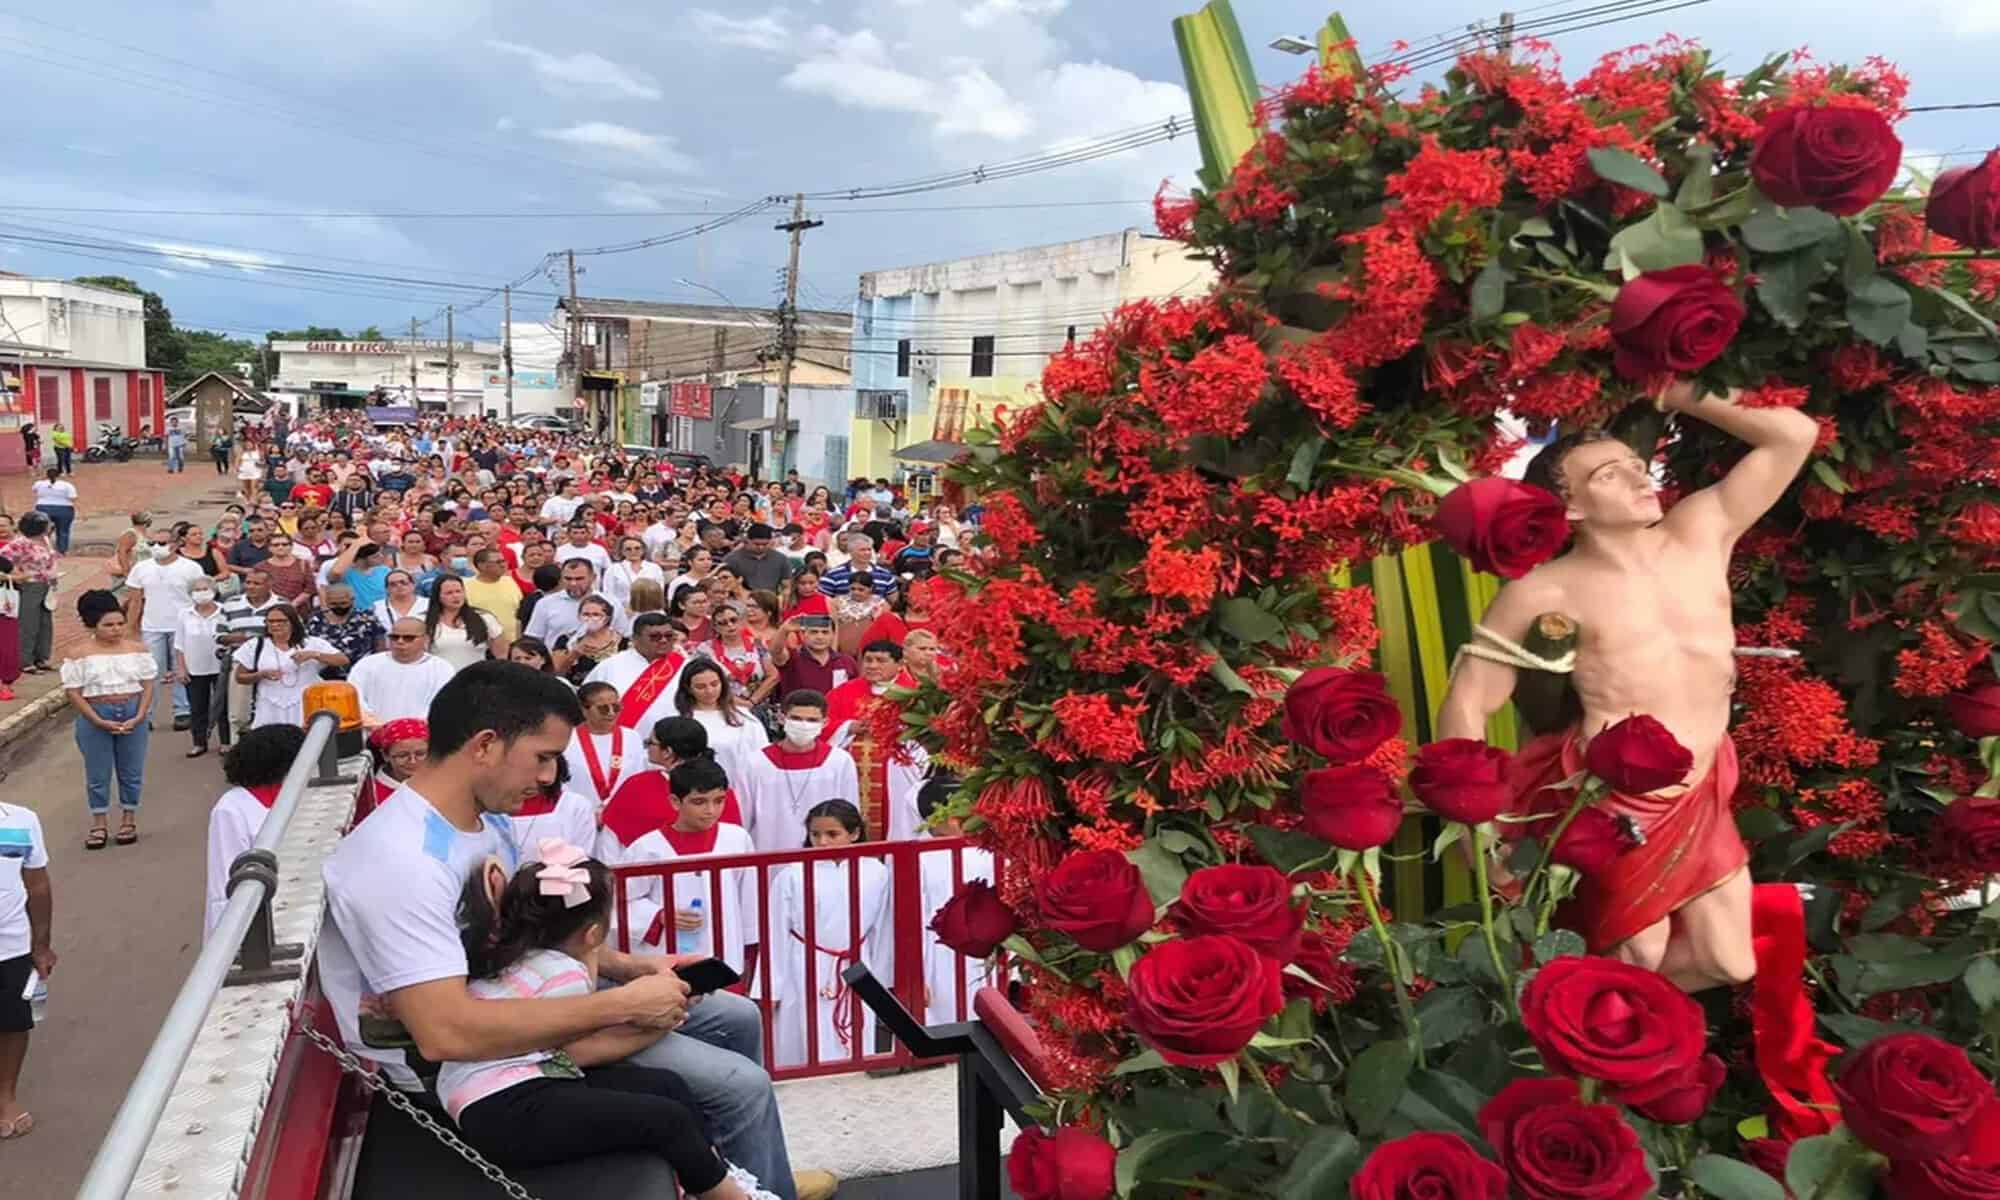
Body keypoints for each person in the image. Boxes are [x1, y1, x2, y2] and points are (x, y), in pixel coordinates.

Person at [317, 661, 817, 1199]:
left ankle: (744, 1173)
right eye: (543, 757)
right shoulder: (402, 863)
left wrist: (634, 967)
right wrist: (622, 1004)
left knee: (736, 1015)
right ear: (485, 745)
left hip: (526, 995)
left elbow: (530, 934)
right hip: (481, 1064)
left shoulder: (482, 820)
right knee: (741, 1087)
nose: (548, 777)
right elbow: (446, 1034)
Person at [1438, 382, 1818, 992]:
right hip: (1614, 798)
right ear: (1571, 509)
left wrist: (1676, 391)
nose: (1642, 479)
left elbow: (1793, 435)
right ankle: (1588, 1027)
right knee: (1639, 951)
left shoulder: (1702, 531)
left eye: (1638, 466)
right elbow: (1469, 696)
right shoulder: (1544, 590)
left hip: (1704, 784)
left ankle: (1566, 1006)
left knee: (1729, 963)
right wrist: (1472, 826)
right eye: (1610, 476)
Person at [440, 846, 778, 1200]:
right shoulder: (566, 974)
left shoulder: (516, 955)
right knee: (667, 1120)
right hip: (505, 1108)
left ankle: (715, 1178)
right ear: (593, 934)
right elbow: (582, 1051)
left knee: (666, 1085)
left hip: (506, 1091)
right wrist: (664, 1018)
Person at [768, 800, 891, 1069]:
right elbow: (775, 934)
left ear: (854, 833)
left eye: (832, 834)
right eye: (815, 834)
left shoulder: (876, 872)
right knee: (805, 1036)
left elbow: (882, 930)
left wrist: (882, 981)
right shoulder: (792, 874)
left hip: (857, 963)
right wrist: (771, 988)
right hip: (803, 965)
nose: (822, 842)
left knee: (857, 1037)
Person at [618, 756, 758, 970]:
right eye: (699, 802)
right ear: (675, 801)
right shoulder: (648, 848)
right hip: (667, 958)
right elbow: (620, 901)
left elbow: (748, 898)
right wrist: (659, 916)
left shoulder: (737, 838)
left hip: (727, 952)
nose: (711, 810)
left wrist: (750, 949)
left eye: (719, 800)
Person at [62, 590, 157, 849]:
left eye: (119, 624)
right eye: (108, 625)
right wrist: (96, 720)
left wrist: (140, 715)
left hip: (132, 709)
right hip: (96, 712)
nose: (116, 630)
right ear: (93, 625)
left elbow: (148, 684)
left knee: (131, 770)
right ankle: (99, 823)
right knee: (97, 772)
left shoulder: (138, 650)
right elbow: (74, 692)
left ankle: (128, 819)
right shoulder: (79, 654)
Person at [204, 724, 308, 936]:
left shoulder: (300, 794)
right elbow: (224, 882)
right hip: (262, 918)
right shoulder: (231, 809)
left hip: (302, 902)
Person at [824, 641, 925, 843]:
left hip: (897, 773)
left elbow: (927, 732)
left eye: (880, 660)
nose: (872, 665)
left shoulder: (915, 694)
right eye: (868, 660)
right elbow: (821, 723)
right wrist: (848, 727)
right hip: (853, 771)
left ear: (899, 664)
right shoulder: (844, 691)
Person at [915, 774, 996, 1024]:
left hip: (990, 949)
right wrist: (917, 974)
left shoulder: (992, 849)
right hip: (940, 957)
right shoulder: (918, 857)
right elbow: (914, 920)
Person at [739, 691, 860, 854]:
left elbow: (849, 815)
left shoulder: (839, 761)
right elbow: (742, 816)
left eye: (812, 720)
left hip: (823, 852)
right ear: (781, 718)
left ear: (825, 723)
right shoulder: (755, 763)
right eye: (796, 718)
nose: (804, 725)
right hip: (767, 851)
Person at [0, 790, 52, 1139]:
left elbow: (38, 885)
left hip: (11, 945)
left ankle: (6, 1096)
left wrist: (41, 945)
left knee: (13, 1022)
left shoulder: (21, 821)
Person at [231, 603, 346, 728]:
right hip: (268, 706)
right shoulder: (254, 645)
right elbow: (240, 677)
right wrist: (261, 675)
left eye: (281, 621)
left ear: (293, 622)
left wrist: (314, 655)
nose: (275, 625)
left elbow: (342, 660)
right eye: (270, 621)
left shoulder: (312, 643)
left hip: (305, 704)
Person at [348, 619, 457, 726]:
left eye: (409, 638)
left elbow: (442, 705)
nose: (400, 641)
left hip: (421, 733)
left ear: (425, 639)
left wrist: (411, 728)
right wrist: (375, 724)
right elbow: (354, 698)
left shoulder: (442, 669)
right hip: (374, 731)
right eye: (394, 637)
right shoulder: (367, 665)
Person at [676, 659, 769, 782]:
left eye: (714, 684)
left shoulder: (744, 717)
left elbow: (763, 759)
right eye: (700, 687)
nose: (709, 691)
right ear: (688, 688)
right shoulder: (679, 720)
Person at [173, 581, 228, 758]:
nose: (201, 592)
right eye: (197, 590)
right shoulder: (184, 614)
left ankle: (226, 742)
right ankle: (199, 742)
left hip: (221, 667)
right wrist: (181, 668)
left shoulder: (225, 611)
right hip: (195, 668)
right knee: (197, 707)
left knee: (224, 707)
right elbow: (179, 644)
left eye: (205, 589)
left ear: (214, 590)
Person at [3, 514, 58, 678]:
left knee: (45, 623)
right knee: (28, 623)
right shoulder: (21, 543)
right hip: (29, 586)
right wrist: (16, 575)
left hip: (47, 585)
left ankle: (42, 657)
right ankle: (25, 661)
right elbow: (3, 558)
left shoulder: (46, 540)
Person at [769, 601, 858, 697]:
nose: (820, 637)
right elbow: (775, 651)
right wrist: (784, 629)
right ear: (802, 635)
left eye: (825, 632)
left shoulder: (847, 662)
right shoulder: (792, 658)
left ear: (833, 635)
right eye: (814, 632)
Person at [526, 560, 622, 648]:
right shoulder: (545, 603)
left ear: (593, 578)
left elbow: (622, 634)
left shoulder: (611, 602)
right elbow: (533, 639)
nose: (573, 583)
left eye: (579, 579)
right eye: (568, 579)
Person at [305, 582, 385, 682]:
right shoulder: (316, 620)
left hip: (362, 674)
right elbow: (307, 645)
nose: (339, 607)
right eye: (333, 604)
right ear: (327, 601)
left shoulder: (367, 618)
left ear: (352, 600)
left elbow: (380, 645)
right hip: (326, 677)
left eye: (343, 603)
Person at [703, 602, 776, 708]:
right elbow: (705, 682)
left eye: (733, 620)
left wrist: (752, 701)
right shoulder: (706, 649)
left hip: (758, 706)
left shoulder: (757, 644)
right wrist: (738, 703)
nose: (730, 625)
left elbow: (773, 675)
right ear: (715, 627)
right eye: (722, 623)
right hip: (723, 706)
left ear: (741, 621)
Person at [425, 577, 504, 671]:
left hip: (476, 677)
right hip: (440, 676)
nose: (455, 596)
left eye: (458, 591)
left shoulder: (485, 618)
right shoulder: (425, 621)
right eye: (449, 593)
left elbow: (502, 654)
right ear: (438, 596)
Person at [359, 717, 428, 825]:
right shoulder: (371, 796)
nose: (413, 761)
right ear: (385, 755)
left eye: (420, 754)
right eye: (402, 755)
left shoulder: (441, 781)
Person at [464, 549, 525, 643]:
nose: (503, 565)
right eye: (498, 562)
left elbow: (519, 612)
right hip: (482, 643)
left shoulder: (509, 581)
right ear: (481, 566)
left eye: (504, 561)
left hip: (512, 642)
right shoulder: (466, 586)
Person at [817, 532, 894, 599]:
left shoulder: (885, 575)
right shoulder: (833, 575)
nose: (867, 553)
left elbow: (893, 602)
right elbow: (823, 601)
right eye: (862, 550)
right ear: (851, 551)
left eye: (869, 549)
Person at [29, 467, 76, 555]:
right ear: (58, 475)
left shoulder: (39, 484)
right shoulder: (67, 485)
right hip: (64, 508)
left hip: (43, 507)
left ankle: (43, 549)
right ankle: (62, 551)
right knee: (63, 530)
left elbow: (34, 491)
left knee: (41, 530)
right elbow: (72, 497)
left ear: (46, 475)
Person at [112, 511, 152, 587]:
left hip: (143, 574)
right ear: (146, 521)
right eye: (150, 519)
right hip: (133, 574)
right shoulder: (130, 534)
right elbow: (122, 552)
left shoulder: (142, 533)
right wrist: (126, 572)